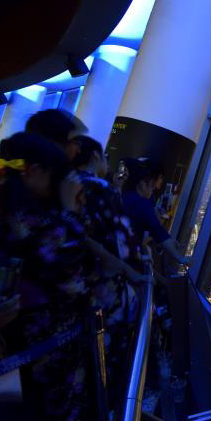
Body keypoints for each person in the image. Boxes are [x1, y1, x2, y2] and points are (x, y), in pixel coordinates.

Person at [0, 132, 95, 421]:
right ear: (35, 171)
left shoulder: (6, 209)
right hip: (41, 352)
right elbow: (72, 273)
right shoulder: (31, 221)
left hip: (17, 350)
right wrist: (68, 211)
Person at [69, 135, 146, 405]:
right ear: (93, 157)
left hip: (77, 288)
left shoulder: (65, 186)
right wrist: (132, 270)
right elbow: (120, 242)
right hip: (106, 291)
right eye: (104, 157)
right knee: (105, 362)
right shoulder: (101, 190)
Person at [121, 158, 189, 265]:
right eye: (152, 188)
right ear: (144, 182)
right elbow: (158, 231)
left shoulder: (123, 196)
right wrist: (181, 258)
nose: (152, 191)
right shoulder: (143, 204)